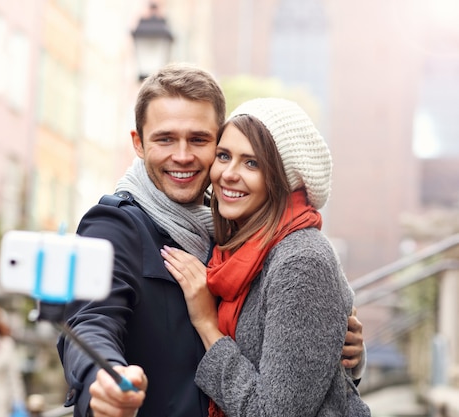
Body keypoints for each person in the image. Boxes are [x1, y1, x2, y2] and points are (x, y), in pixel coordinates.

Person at [57, 63, 365, 417]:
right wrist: (104, 377)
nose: (183, 155)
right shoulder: (114, 227)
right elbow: (90, 321)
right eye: (165, 138)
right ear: (138, 144)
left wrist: (333, 347)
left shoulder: (238, 235)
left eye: (199, 140)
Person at [160, 97, 371, 416]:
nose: (228, 174)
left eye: (252, 163)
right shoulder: (237, 250)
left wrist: (207, 325)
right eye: (224, 156)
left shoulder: (301, 261)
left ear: (283, 179)